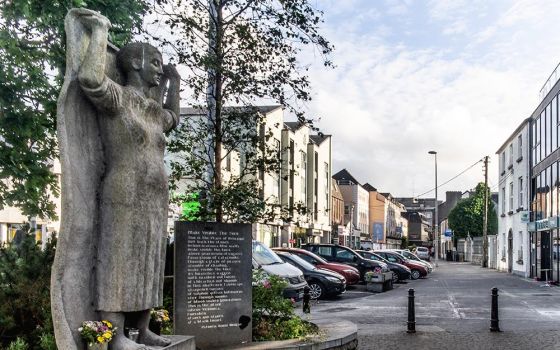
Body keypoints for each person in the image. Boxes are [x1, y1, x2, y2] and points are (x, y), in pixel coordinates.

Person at [75, 9, 180, 349]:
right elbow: (89, 79)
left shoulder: (151, 110)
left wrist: (172, 84)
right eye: (155, 63)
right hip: (124, 190)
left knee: (150, 260)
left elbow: (173, 118)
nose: (159, 69)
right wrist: (101, 31)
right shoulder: (119, 98)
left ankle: (143, 328)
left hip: (154, 198)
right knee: (119, 258)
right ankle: (115, 335)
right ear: (135, 63)